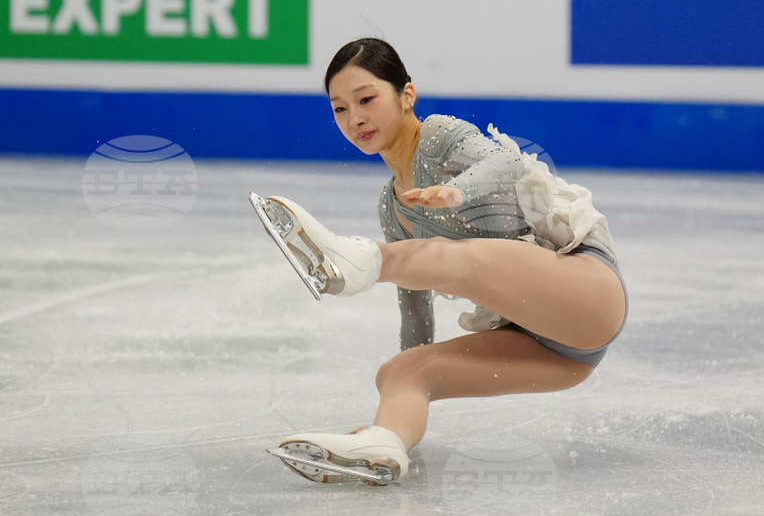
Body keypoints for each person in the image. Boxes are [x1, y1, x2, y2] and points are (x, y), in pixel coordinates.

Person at [255, 37, 628, 485]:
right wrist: (412, 366)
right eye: (339, 109)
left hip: (589, 294)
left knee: (457, 258)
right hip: (558, 356)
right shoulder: (392, 209)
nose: (354, 118)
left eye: (366, 99)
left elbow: (508, 161)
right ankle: (384, 443)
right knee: (402, 370)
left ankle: (355, 262)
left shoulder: (436, 137)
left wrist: (456, 191)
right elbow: (415, 315)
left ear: (406, 95)